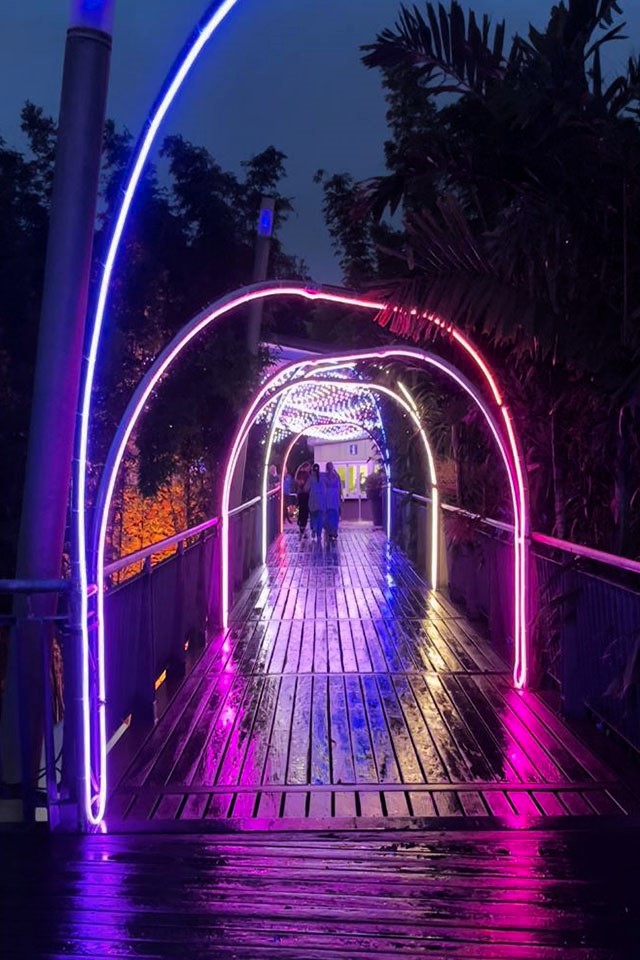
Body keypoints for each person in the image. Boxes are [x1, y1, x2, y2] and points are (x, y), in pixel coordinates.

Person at [324, 461, 343, 543]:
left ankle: (329, 531)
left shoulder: (324, 477)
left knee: (328, 517)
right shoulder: (336, 476)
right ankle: (334, 533)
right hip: (335, 501)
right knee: (335, 517)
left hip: (327, 501)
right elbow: (339, 489)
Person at [308, 463, 326, 542]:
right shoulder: (322, 478)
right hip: (321, 500)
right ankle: (319, 533)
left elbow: (307, 488)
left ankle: (314, 528)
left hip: (312, 500)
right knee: (320, 517)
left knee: (313, 516)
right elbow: (325, 489)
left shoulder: (310, 478)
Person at [294, 461, 311, 537]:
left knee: (302, 510)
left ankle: (301, 524)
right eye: (308, 467)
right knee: (305, 511)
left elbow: (296, 481)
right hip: (305, 494)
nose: (309, 468)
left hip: (301, 494)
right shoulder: (306, 475)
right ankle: (302, 524)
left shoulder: (299, 474)